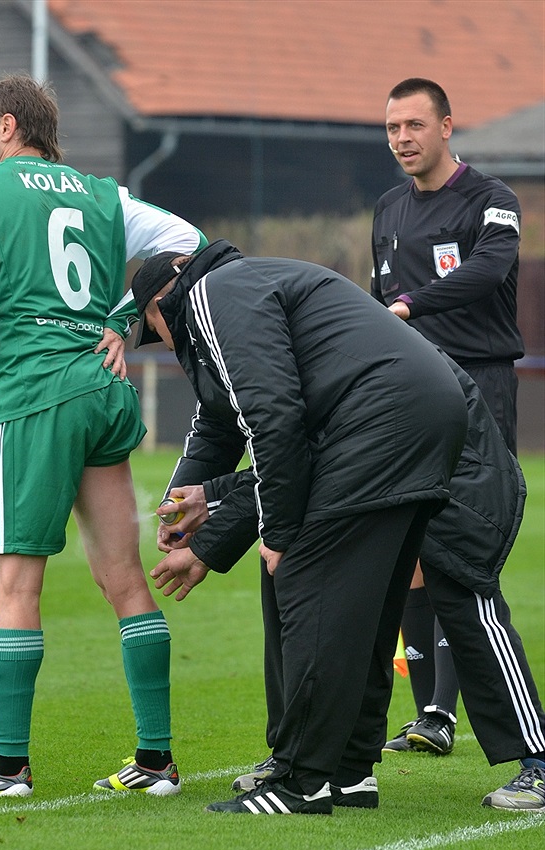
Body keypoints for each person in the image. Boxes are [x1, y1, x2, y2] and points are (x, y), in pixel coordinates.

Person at [0, 74, 207, 798]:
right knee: (123, 578)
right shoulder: (102, 193)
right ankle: (156, 764)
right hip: (103, 392)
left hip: (33, 394)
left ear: (10, 127)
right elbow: (190, 243)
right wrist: (120, 316)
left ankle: (8, 769)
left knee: (11, 582)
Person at [129, 239, 468, 815]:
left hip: (377, 418)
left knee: (304, 582)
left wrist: (280, 535)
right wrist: (182, 516)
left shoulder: (211, 295)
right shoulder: (246, 286)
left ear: (165, 301)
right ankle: (348, 770)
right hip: (428, 411)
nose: (160, 341)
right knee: (365, 605)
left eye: (151, 327)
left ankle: (300, 781)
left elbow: (274, 417)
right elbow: (218, 426)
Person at [149, 357, 545, 812]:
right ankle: (332, 766)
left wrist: (212, 514)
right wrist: (201, 499)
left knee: (468, 601)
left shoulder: (304, 342)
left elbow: (306, 455)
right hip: (394, 464)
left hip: (453, 469)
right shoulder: (294, 342)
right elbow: (290, 447)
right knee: (321, 583)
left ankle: (539, 763)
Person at [371, 77, 524, 756]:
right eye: (392, 128)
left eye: (414, 125)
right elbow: (378, 300)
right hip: (410, 395)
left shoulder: (493, 201)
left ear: (447, 127)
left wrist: (410, 305)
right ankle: (431, 716)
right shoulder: (387, 209)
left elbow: (490, 273)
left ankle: (458, 714)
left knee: (461, 555)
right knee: (408, 548)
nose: (402, 139)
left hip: (478, 388)